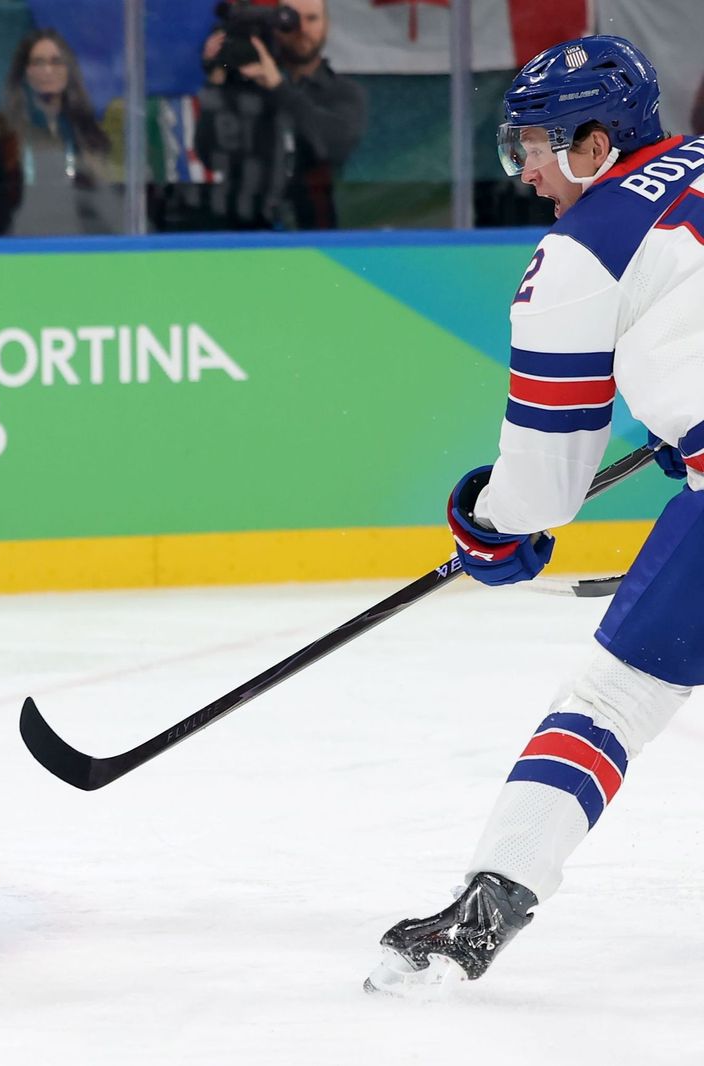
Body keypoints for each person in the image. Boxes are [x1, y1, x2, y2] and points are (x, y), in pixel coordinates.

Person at [366, 35, 704, 993]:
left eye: (536, 149)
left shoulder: (581, 252)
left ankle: (488, 906)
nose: (526, 175)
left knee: (612, 700)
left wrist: (491, 524)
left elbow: (546, 485)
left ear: (596, 145)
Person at [189, 0, 364, 230]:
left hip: (317, 237)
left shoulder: (343, 92)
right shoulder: (243, 90)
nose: (301, 29)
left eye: (312, 19)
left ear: (327, 25)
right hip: (247, 235)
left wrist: (277, 87)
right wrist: (217, 80)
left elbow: (332, 147)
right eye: (290, 20)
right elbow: (210, 156)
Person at [0, 28, 113, 237]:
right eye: (38, 63)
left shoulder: (86, 129)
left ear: (68, 69)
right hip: (21, 243)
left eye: (56, 62)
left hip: (80, 244)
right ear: (26, 72)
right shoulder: (2, 130)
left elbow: (107, 196)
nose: (48, 71)